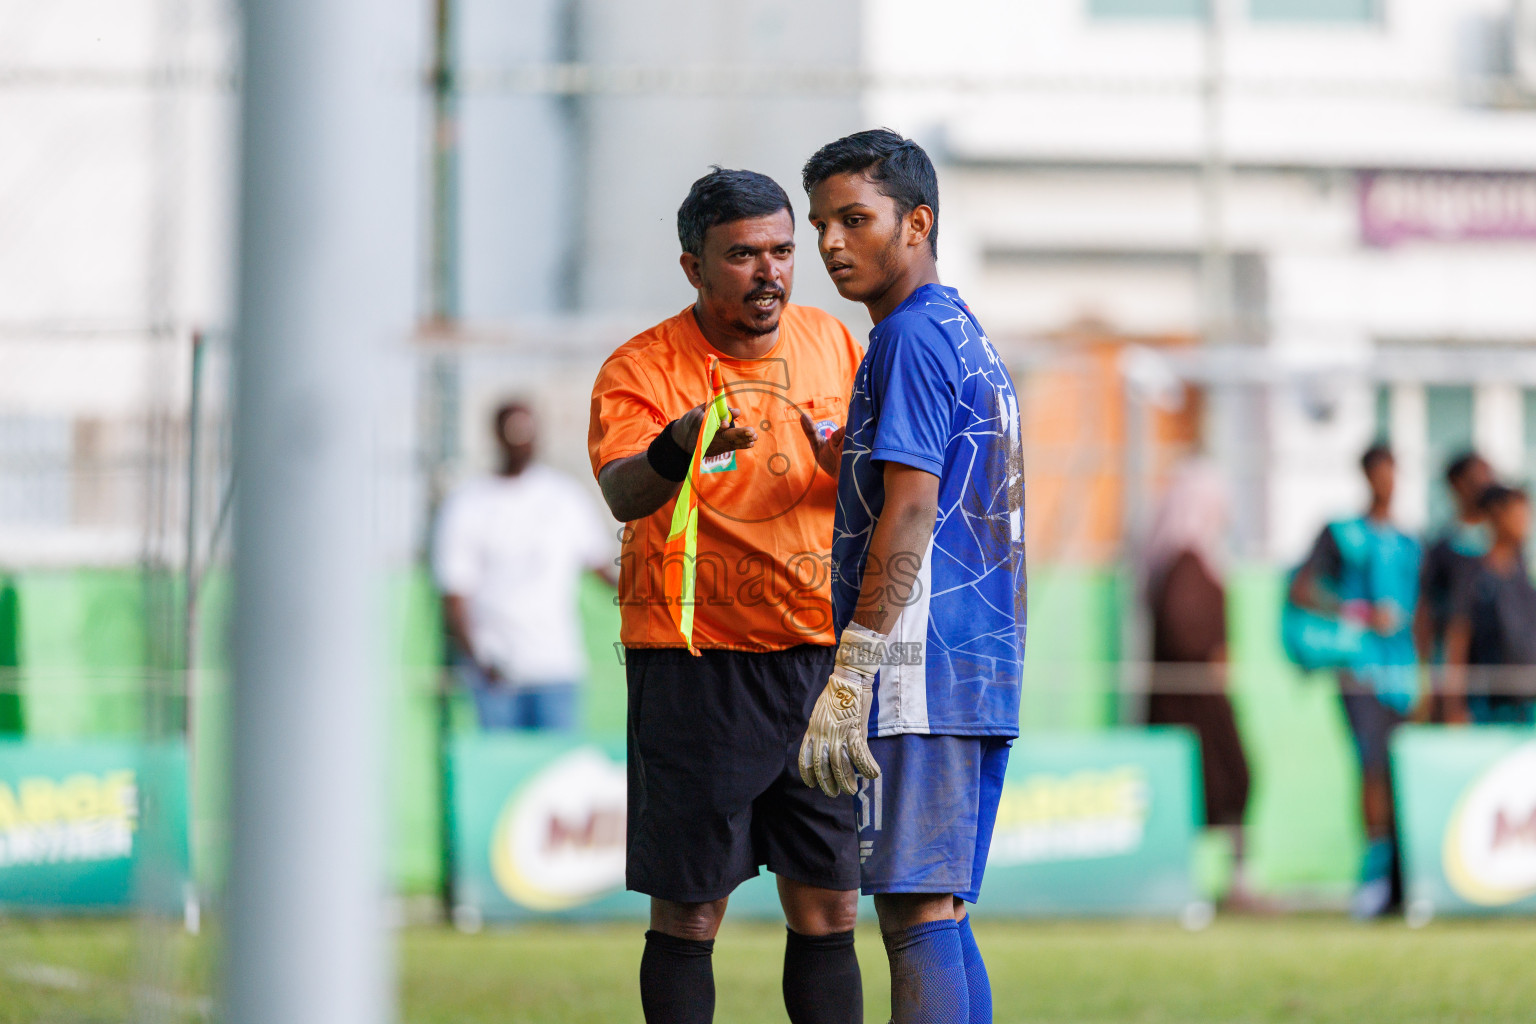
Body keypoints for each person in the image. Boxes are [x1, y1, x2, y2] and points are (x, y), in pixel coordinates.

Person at [587, 168, 865, 1024]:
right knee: (691, 909)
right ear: (693, 267)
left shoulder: (837, 344)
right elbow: (625, 492)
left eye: (783, 250)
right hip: (695, 669)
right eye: (742, 255)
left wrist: (849, 463)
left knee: (829, 907)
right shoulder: (644, 367)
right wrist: (679, 445)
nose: (770, 271)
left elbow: (881, 483)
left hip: (820, 664)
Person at [798, 129, 1026, 1024]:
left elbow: (913, 507)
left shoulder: (907, 340)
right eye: (820, 224)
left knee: (912, 913)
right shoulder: (962, 335)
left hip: (916, 666)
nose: (829, 244)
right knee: (941, 910)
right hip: (976, 663)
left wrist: (857, 664)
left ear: (917, 222)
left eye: (855, 220)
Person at [1289, 443, 1421, 920]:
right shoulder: (1343, 534)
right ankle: (1372, 876)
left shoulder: (1409, 543)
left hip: (1405, 675)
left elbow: (1422, 612)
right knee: (1370, 767)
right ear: (1367, 475)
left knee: (1402, 772)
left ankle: (1402, 878)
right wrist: (1359, 614)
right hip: (1360, 668)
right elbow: (1302, 588)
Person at [433, 402, 615, 731]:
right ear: (495, 435)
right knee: (500, 770)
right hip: (497, 672)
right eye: (512, 431)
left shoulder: (565, 497)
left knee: (557, 773)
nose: (520, 441)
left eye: (526, 432)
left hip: (556, 667)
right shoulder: (469, 503)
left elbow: (603, 568)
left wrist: (653, 586)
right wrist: (477, 658)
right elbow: (455, 591)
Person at [1140, 459, 1259, 909]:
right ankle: (1224, 883)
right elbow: (1183, 625)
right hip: (1193, 706)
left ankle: (1230, 881)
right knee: (1222, 782)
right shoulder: (1186, 562)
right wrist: (1212, 656)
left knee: (1223, 787)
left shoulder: (1189, 560)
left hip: (1199, 702)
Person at [1443, 484, 1536, 726]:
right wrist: (1454, 705)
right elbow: (1458, 638)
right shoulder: (1474, 575)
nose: (1525, 521)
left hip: (1529, 701)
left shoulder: (1526, 574)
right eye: (1519, 514)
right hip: (1489, 705)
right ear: (1497, 515)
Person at [1412, 451, 1494, 721]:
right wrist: (1444, 698)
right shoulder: (1443, 550)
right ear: (1456, 485)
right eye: (1477, 480)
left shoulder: (1505, 546)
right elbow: (1434, 621)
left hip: (1503, 684)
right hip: (1459, 684)